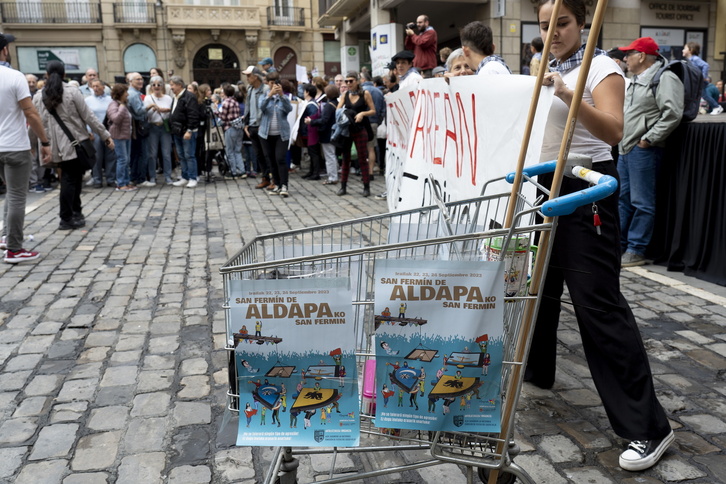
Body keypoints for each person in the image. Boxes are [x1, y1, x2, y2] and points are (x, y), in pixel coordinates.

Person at [525, 0, 674, 473]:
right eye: (545, 26)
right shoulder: (544, 63)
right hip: (543, 183)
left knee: (598, 306)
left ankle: (648, 427)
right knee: (539, 288)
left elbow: (614, 132)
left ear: (584, 21)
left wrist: (569, 94)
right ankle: (537, 370)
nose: (554, 34)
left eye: (563, 24)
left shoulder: (602, 67)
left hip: (586, 187)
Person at [617, 37, 683, 267]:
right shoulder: (636, 79)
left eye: (629, 54)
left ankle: (636, 249)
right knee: (623, 200)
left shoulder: (664, 77)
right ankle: (621, 246)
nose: (625, 58)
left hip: (642, 150)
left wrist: (648, 139)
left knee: (641, 202)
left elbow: (673, 113)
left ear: (642, 56)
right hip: (627, 148)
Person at [35, 60, 113, 230]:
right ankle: (66, 217)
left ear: (46, 75)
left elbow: (36, 123)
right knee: (70, 180)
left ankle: (76, 212)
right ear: (64, 75)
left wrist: (37, 144)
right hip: (73, 143)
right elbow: (88, 116)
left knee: (74, 178)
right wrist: (105, 135)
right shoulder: (71, 91)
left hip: (52, 144)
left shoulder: (38, 96)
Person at [0, 32, 51, 263]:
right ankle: (14, 249)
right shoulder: (14, 76)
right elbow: (30, 111)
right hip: (14, 145)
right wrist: (45, 142)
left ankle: (6, 237)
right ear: (4, 50)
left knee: (10, 193)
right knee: (18, 195)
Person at [336, 71, 375, 197]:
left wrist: (362, 113)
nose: (348, 83)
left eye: (351, 81)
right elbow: (337, 110)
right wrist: (344, 112)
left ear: (357, 81)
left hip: (360, 129)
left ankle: (366, 186)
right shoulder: (345, 94)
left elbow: (373, 110)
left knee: (362, 158)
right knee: (345, 158)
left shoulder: (365, 93)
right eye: (346, 81)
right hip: (347, 130)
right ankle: (343, 186)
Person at [258, 72, 292, 197]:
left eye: (275, 84)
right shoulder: (263, 96)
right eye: (270, 83)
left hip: (281, 134)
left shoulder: (284, 98)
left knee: (280, 159)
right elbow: (261, 107)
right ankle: (276, 184)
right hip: (265, 134)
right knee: (271, 160)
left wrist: (281, 95)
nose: (273, 86)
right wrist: (269, 96)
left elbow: (289, 109)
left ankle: (284, 185)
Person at [84, 78, 117, 188]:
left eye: (98, 86)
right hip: (95, 132)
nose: (96, 88)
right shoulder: (88, 100)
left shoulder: (110, 99)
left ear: (104, 87)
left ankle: (110, 178)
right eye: (93, 86)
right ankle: (97, 179)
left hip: (109, 131)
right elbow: (86, 117)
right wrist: (88, 131)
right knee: (97, 157)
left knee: (110, 155)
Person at [242, 65, 271, 189]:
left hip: (262, 126)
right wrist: (246, 124)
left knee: (267, 154)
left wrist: (262, 124)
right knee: (259, 154)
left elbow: (267, 109)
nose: (247, 78)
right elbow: (248, 108)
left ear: (256, 76)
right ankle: (265, 178)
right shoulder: (250, 90)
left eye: (249, 76)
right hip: (252, 126)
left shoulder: (265, 89)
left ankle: (273, 178)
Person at [169, 76, 200, 188]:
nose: (171, 87)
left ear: (179, 85)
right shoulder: (175, 97)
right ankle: (185, 176)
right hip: (177, 130)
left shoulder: (189, 96)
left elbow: (193, 115)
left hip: (187, 131)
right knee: (181, 155)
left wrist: (190, 130)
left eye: (172, 84)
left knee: (189, 155)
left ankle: (193, 177)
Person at [143, 75, 174, 185]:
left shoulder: (168, 98)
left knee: (166, 153)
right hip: (152, 127)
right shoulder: (148, 98)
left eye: (159, 84)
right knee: (152, 154)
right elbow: (146, 115)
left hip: (165, 127)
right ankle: (152, 176)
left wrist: (167, 110)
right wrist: (153, 109)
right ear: (151, 86)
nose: (156, 87)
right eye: (154, 85)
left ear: (162, 86)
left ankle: (168, 176)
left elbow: (172, 113)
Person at [106, 84, 135, 192]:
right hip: (118, 136)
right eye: (125, 92)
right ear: (120, 94)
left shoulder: (123, 104)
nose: (127, 95)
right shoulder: (114, 105)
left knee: (126, 160)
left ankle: (126, 182)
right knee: (122, 160)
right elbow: (116, 119)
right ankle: (121, 184)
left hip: (126, 135)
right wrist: (122, 107)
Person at [308, 84, 339, 186]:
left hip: (327, 133)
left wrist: (311, 122)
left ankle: (332, 177)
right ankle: (333, 175)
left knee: (329, 155)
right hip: (333, 132)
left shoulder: (329, 105)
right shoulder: (336, 103)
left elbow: (324, 120)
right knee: (332, 155)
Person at [682, 42, 723, 115]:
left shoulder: (695, 59)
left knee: (704, 95)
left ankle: (716, 107)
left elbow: (705, 65)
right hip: (696, 82)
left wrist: (703, 76)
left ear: (690, 50)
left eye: (685, 48)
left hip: (700, 82)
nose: (683, 50)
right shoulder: (690, 60)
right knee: (697, 95)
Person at [360, 71, 385, 178]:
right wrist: (378, 121)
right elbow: (383, 110)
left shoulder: (361, 91)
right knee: (371, 148)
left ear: (363, 79)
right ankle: (370, 171)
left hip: (363, 122)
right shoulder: (379, 91)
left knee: (363, 148)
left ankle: (365, 171)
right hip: (374, 122)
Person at [218, 84, 245, 178]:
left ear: (225, 93)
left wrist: (216, 112)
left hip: (229, 127)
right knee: (237, 151)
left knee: (230, 151)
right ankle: (242, 170)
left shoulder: (225, 103)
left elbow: (223, 117)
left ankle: (233, 171)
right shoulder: (235, 102)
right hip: (238, 127)